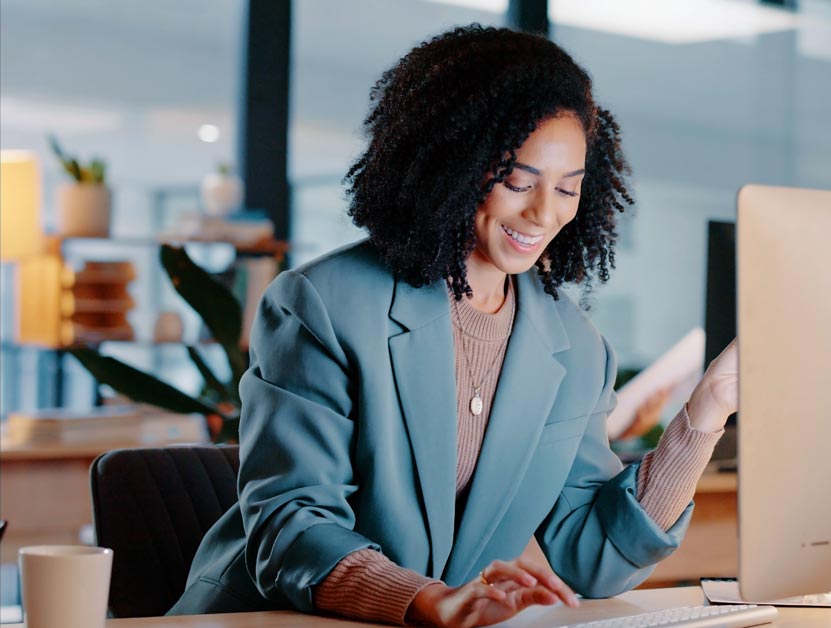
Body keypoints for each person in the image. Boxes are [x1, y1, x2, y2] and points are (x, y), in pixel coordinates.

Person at [169, 24, 738, 628]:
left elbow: (592, 558)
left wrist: (707, 411)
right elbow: (292, 524)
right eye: (519, 182)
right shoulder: (323, 305)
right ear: (454, 163)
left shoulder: (574, 348)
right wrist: (420, 598)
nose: (544, 213)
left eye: (568, 189)